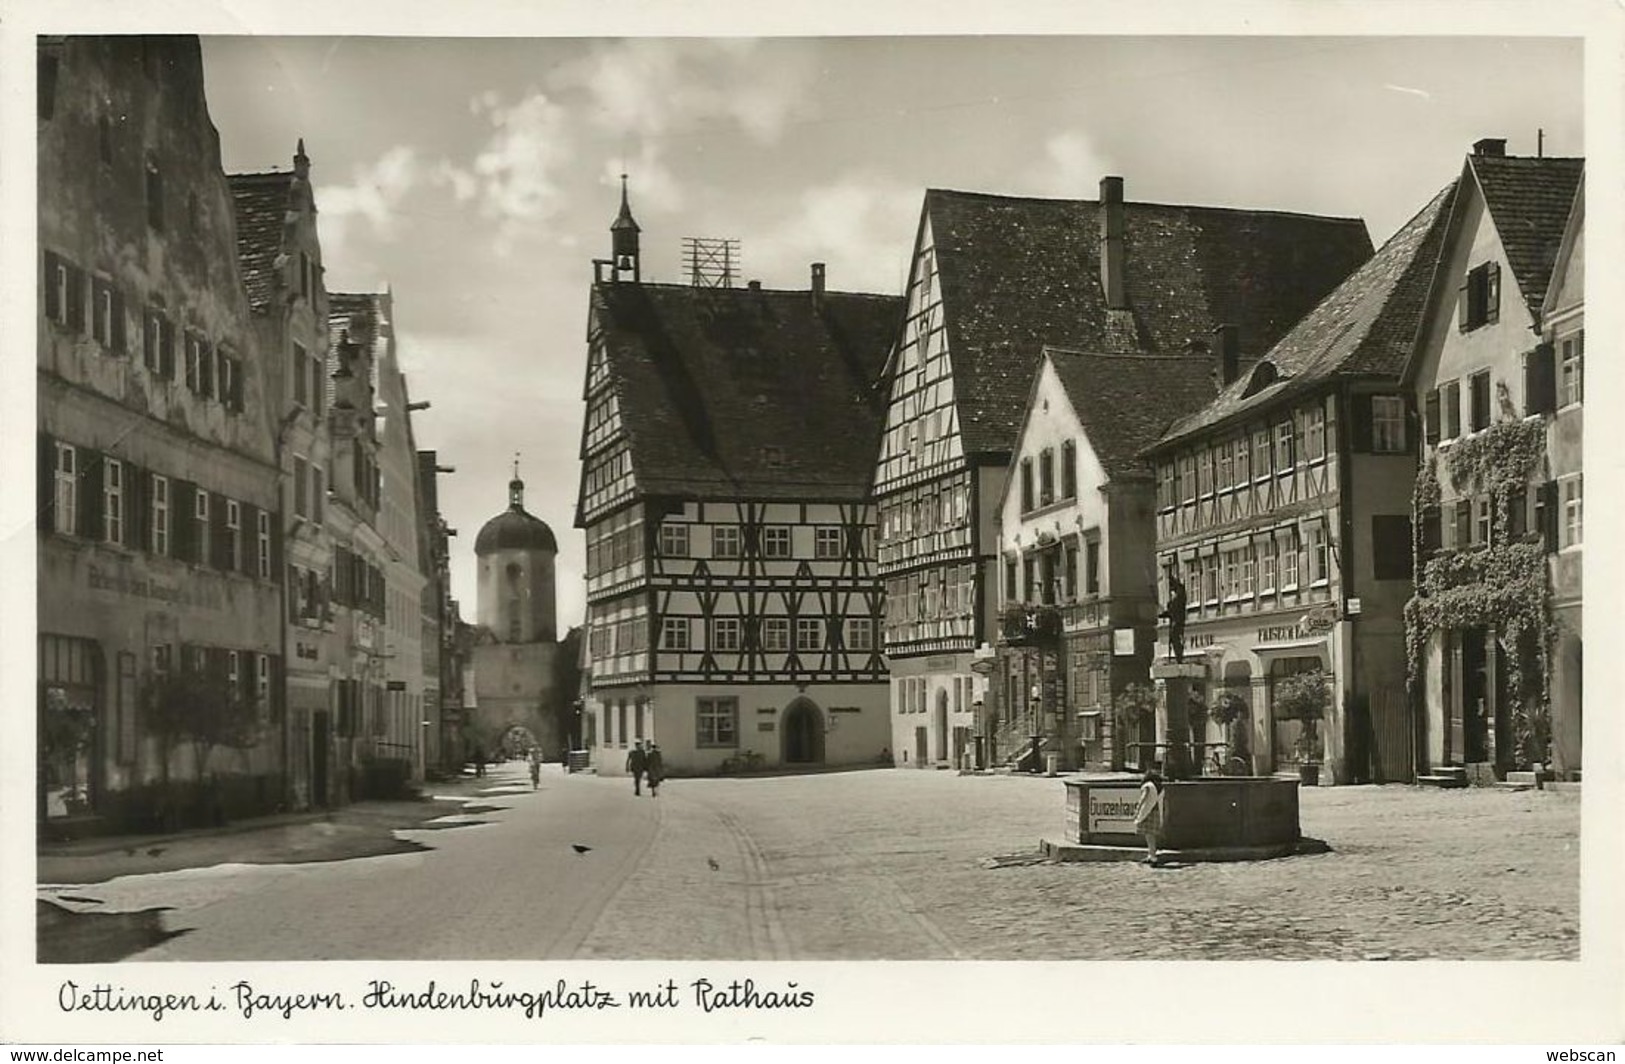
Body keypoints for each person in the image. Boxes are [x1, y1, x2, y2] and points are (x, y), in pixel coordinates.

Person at [1134, 767, 1166, 866]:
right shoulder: (1160, 788)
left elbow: (1143, 798)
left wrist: (1137, 809)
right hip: (1156, 812)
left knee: (1149, 835)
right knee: (1151, 836)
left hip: (1148, 813)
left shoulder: (1148, 786)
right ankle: (1151, 854)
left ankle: (1153, 857)